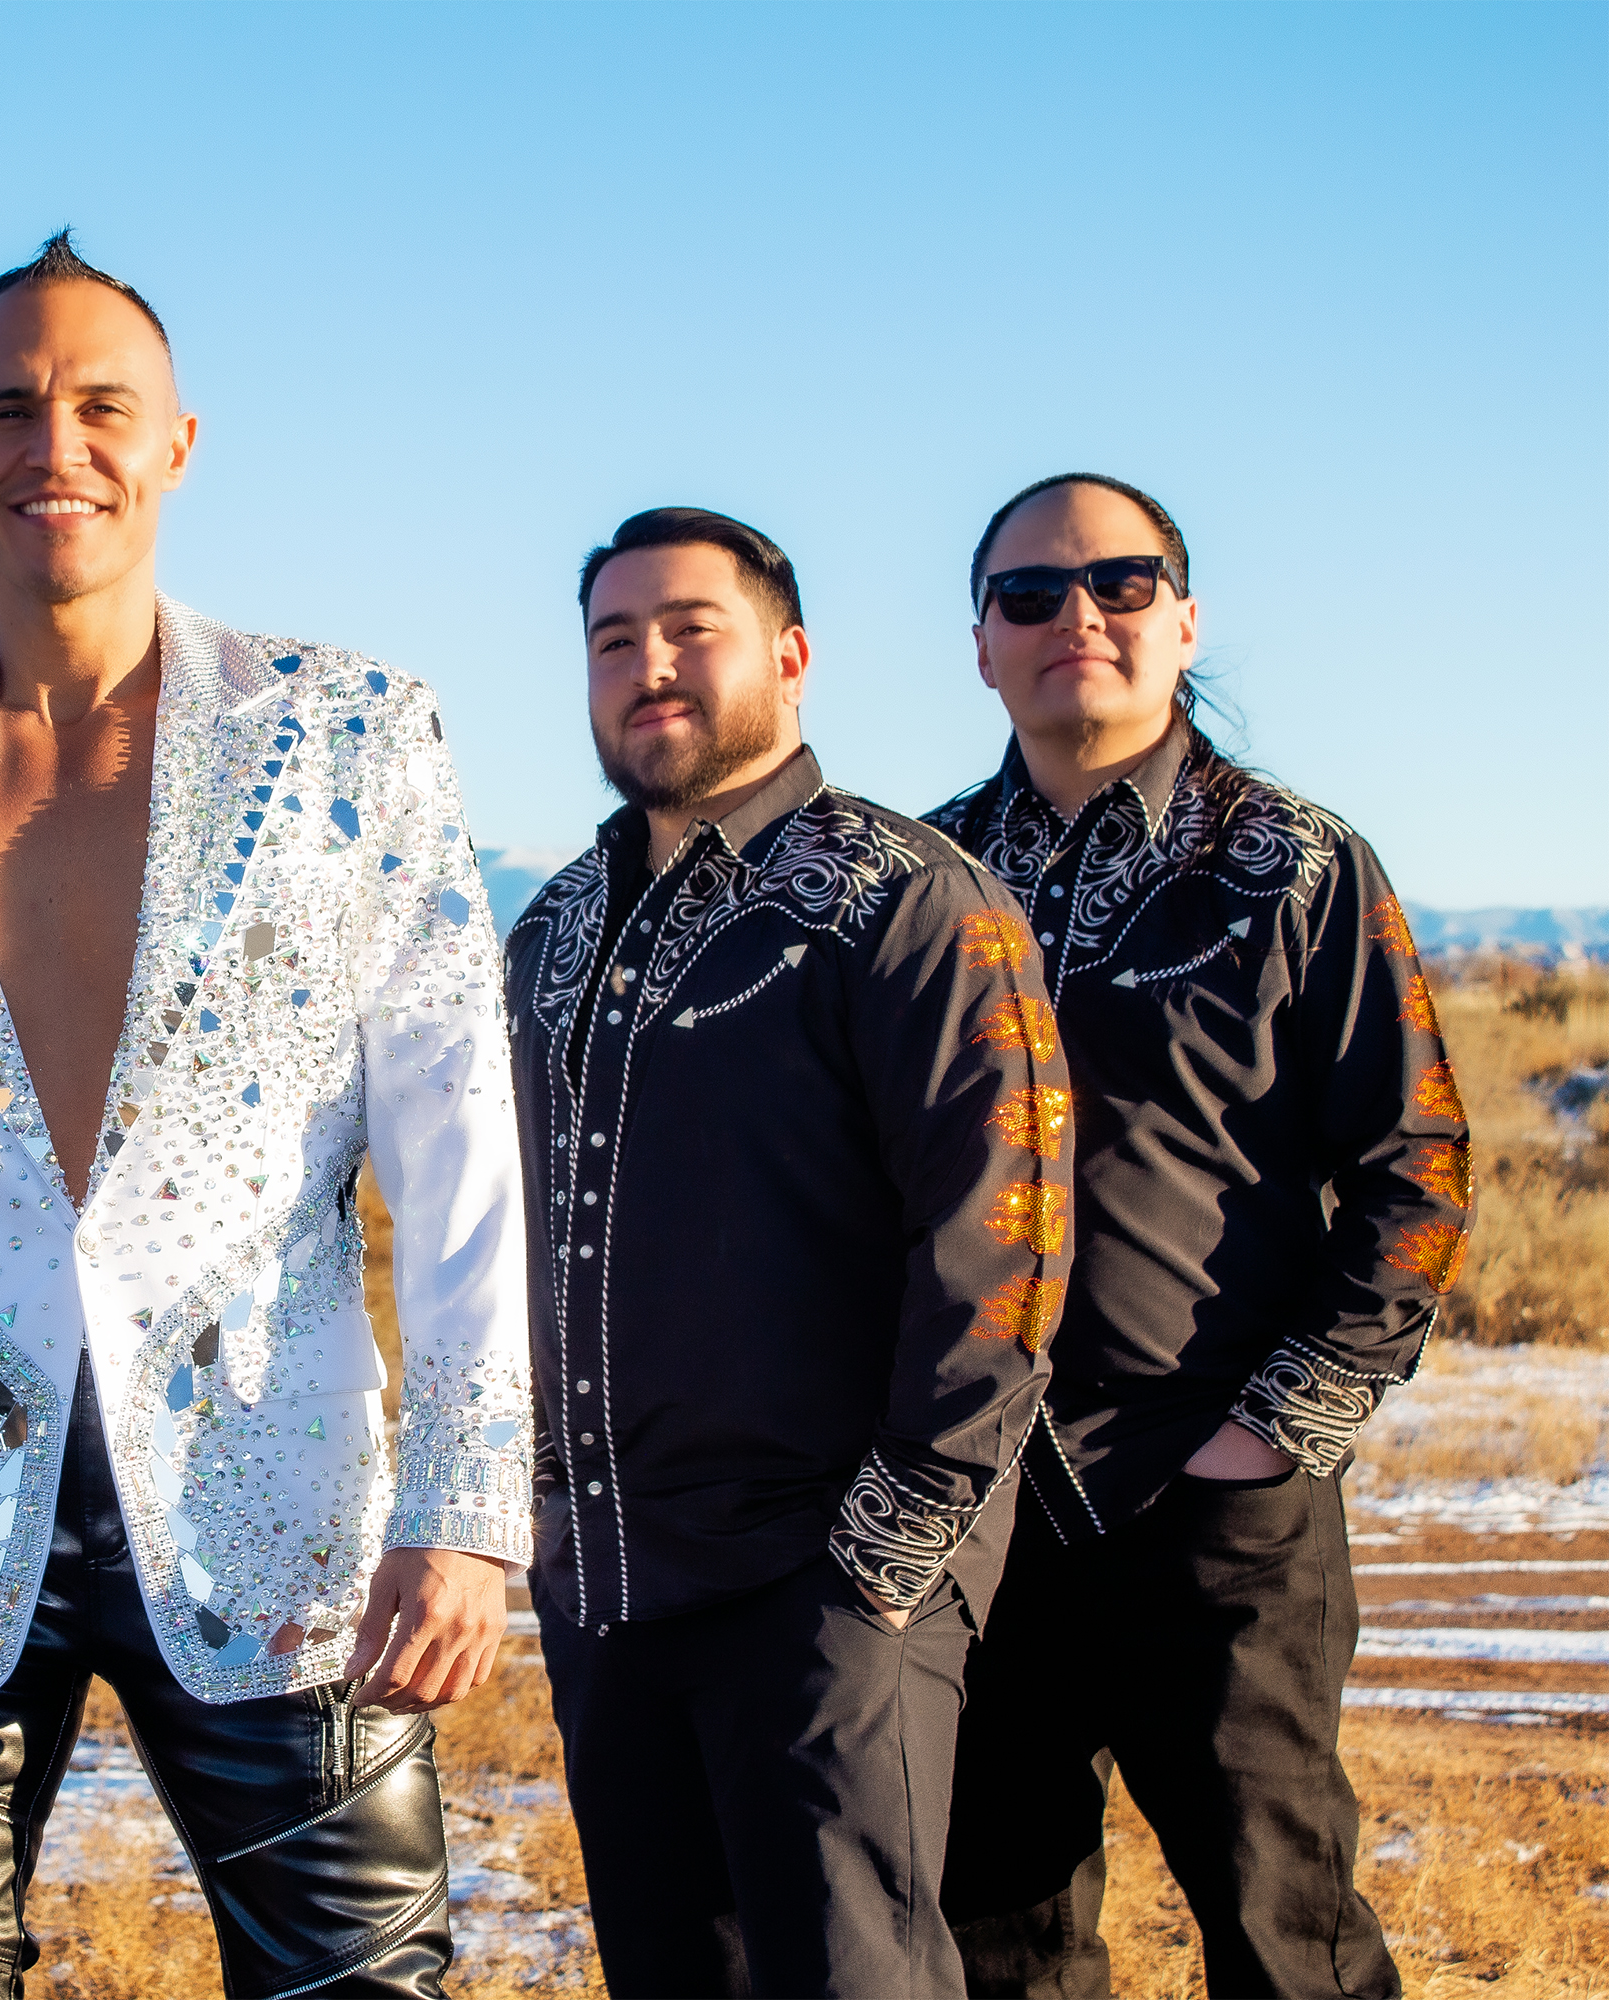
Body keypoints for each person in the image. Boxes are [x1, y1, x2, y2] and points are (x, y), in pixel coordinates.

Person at [0, 231, 533, 1999]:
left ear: (178, 442)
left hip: (284, 1508)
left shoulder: (354, 732)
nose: (54, 444)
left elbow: (458, 1143)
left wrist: (464, 1501)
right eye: (8, 408)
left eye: (101, 405)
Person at [502, 506, 1063, 1998]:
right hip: (610, 1579)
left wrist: (889, 1551)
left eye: (692, 629)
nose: (649, 666)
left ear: (791, 655)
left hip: (823, 1579)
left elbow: (1004, 1236)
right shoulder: (551, 932)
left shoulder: (913, 899)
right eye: (614, 640)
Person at [930, 473, 1464, 2000]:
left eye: (1120, 582)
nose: (1078, 616)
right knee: (1000, 1951)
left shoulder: (1296, 865)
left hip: (1215, 1502)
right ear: (982, 645)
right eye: (1031, 592)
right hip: (979, 1505)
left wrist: (1272, 1434)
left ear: (1183, 619)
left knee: (1288, 1943)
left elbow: (1419, 1166)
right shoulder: (924, 885)